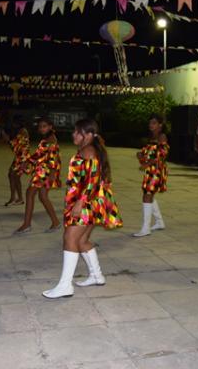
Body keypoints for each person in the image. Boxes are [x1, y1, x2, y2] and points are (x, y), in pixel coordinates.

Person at [42, 119, 122, 299]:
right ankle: (96, 275)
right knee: (82, 240)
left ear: (86, 135)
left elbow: (93, 180)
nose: (73, 135)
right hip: (94, 201)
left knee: (70, 237)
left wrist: (80, 203)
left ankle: (64, 286)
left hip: (86, 202)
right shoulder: (90, 149)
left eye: (76, 132)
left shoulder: (88, 150)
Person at [14, 117, 61, 234]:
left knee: (30, 193)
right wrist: (27, 162)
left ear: (50, 126)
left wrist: (53, 174)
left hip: (45, 171)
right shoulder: (47, 139)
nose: (41, 128)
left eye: (44, 126)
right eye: (40, 126)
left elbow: (54, 157)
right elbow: (39, 154)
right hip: (43, 170)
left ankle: (26, 224)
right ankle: (55, 223)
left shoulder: (51, 139)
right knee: (43, 197)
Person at [133, 114, 169, 237]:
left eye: (154, 123)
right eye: (150, 123)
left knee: (147, 195)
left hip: (157, 171)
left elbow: (162, 155)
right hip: (150, 170)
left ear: (160, 125)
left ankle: (146, 228)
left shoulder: (161, 136)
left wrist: (147, 163)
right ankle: (159, 222)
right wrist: (141, 155)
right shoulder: (151, 137)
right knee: (149, 194)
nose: (151, 125)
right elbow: (149, 152)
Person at [2, 116, 31, 206]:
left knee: (12, 175)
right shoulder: (22, 131)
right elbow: (16, 146)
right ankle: (18, 198)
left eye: (14, 123)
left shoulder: (23, 131)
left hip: (22, 158)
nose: (13, 125)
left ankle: (15, 198)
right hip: (21, 157)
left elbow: (16, 146)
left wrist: (8, 140)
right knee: (14, 176)